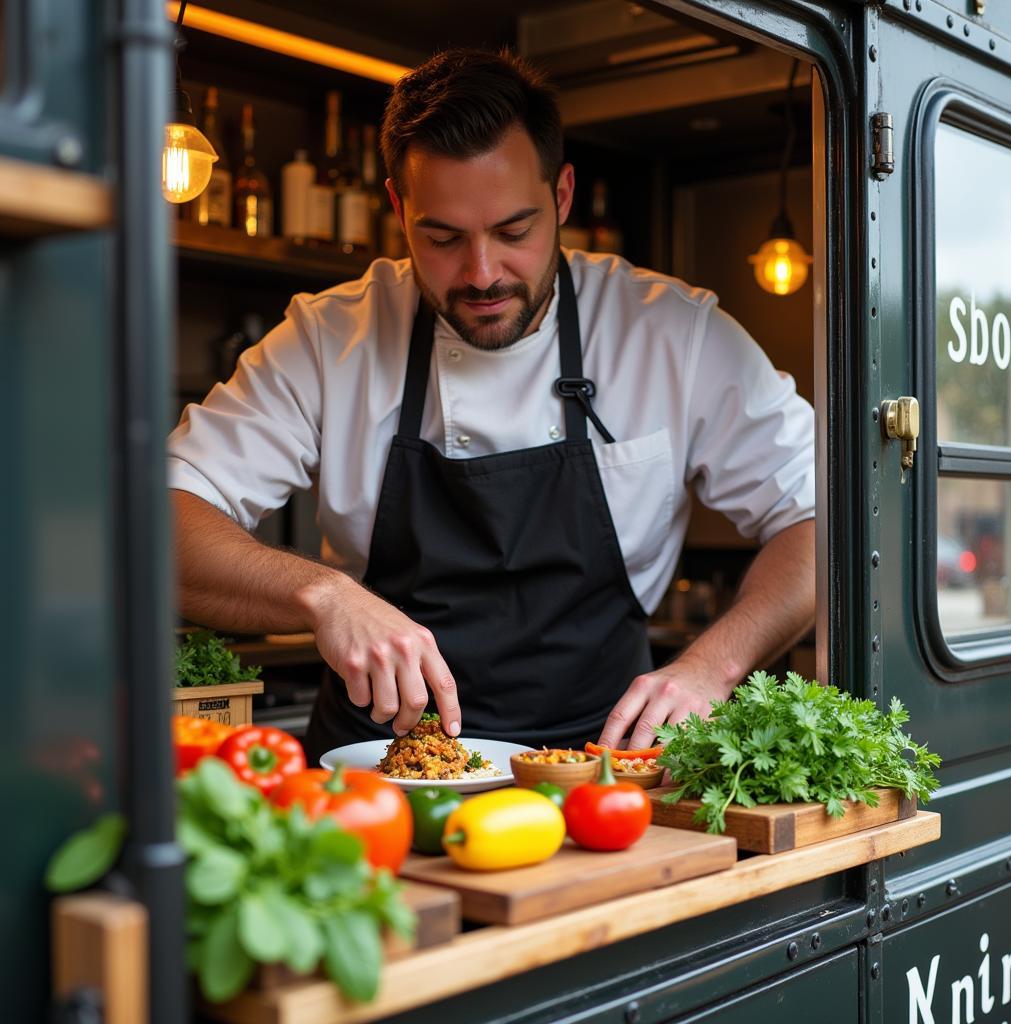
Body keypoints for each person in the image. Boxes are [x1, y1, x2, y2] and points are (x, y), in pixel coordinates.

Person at [168, 48, 816, 762]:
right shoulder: (328, 338)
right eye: (441, 238)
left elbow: (823, 519)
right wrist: (321, 596)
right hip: (382, 776)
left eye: (514, 232)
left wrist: (710, 667)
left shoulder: (674, 334)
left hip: (604, 773)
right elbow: (162, 519)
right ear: (398, 208)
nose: (481, 274)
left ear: (563, 196)